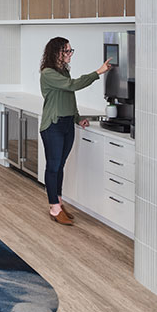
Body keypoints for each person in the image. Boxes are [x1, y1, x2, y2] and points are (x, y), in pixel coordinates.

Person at [39, 37, 111, 225]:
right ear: (57, 53)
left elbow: (69, 97)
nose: (70, 54)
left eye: (71, 51)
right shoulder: (48, 73)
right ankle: (54, 207)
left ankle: (59, 203)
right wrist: (98, 72)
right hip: (53, 125)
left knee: (60, 166)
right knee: (53, 166)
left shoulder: (63, 72)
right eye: (67, 51)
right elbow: (73, 86)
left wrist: (77, 118)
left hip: (66, 124)